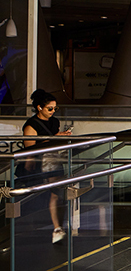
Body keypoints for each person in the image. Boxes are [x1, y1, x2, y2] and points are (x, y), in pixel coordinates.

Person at [22, 88, 72, 243]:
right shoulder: (31, 125)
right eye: (50, 108)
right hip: (41, 163)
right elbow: (31, 149)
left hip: (54, 160)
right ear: (39, 108)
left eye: (55, 108)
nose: (52, 111)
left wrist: (60, 138)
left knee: (56, 193)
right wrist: (55, 137)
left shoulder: (54, 121)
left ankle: (57, 227)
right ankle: (54, 227)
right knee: (52, 193)